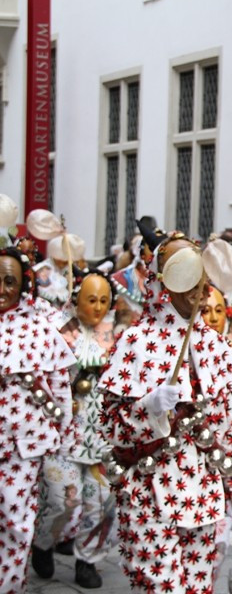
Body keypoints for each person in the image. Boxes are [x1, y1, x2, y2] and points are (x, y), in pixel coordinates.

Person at [98, 233, 232, 592]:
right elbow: (109, 426)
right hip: (148, 492)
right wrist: (147, 408)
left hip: (204, 493)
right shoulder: (136, 342)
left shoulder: (217, 346)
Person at [32, 270, 118, 588]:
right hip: (63, 432)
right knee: (63, 499)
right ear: (76, 299)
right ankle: (43, 542)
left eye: (103, 301)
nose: (97, 307)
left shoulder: (116, 335)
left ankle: (88, 561)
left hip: (101, 435)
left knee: (101, 501)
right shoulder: (58, 330)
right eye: (90, 299)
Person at [0, 246, 76, 592]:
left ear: (23, 284)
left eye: (9, 281)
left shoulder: (39, 326)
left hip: (22, 446)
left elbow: (60, 387)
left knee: (17, 524)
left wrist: (63, 435)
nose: (1, 288)